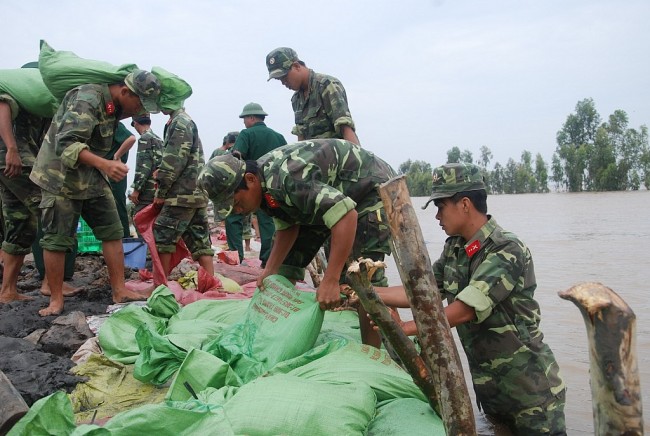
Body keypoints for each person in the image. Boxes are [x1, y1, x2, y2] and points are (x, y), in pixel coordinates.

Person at [372, 163, 566, 434]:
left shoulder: (506, 249)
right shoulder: (456, 249)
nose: (437, 216)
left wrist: (406, 329)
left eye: (440, 206)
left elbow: (465, 309)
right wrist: (369, 293)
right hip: (490, 391)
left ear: (464, 204)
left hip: (531, 393)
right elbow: (422, 294)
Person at [198, 139, 393, 341]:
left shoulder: (288, 178)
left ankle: (372, 354)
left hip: (369, 191)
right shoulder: (262, 186)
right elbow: (288, 225)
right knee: (282, 271)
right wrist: (270, 270)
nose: (238, 211)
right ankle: (275, 336)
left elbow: (346, 215)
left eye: (237, 203)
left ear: (250, 180)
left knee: (363, 278)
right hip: (335, 199)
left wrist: (331, 279)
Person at [29, 69, 161, 316]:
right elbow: (67, 144)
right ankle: (56, 299)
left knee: (112, 231)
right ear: (125, 92)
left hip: (91, 176)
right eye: (140, 103)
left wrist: (104, 165)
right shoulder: (87, 99)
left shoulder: (116, 107)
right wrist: (107, 164)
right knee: (57, 239)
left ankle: (119, 290)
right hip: (61, 177)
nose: (140, 111)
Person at [0, 69, 79, 304]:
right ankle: (50, 283)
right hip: (13, 159)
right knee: (52, 209)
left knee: (21, 221)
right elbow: (2, 106)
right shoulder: (21, 93)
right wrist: (12, 149)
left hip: (13, 163)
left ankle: (7, 291)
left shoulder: (43, 103)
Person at [151, 74, 214, 286]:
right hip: (195, 193)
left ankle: (158, 287)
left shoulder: (179, 123)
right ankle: (210, 284)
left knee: (163, 237)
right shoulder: (185, 121)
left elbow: (172, 162)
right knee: (200, 241)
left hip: (181, 194)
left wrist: (161, 193)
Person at [228, 102, 287, 267]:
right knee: (268, 221)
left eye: (245, 118)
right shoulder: (278, 136)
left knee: (234, 216)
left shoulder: (246, 134)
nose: (244, 122)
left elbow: (237, 157)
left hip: (250, 187)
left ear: (252, 117)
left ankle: (236, 257)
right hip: (274, 188)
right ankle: (268, 259)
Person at [266, 47, 360, 145]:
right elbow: (301, 139)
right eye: (279, 80)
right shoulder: (296, 99)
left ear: (297, 66)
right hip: (314, 158)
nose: (283, 83)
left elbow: (345, 127)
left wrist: (358, 159)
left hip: (336, 156)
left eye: (284, 77)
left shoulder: (326, 85)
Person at [128, 114, 163, 217]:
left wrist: (137, 189)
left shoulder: (144, 138)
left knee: (140, 219)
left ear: (135, 123)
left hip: (147, 192)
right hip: (158, 189)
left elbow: (143, 166)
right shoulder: (158, 139)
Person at [107, 121, 136, 237]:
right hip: (104, 172)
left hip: (114, 173)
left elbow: (131, 138)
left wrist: (116, 156)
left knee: (118, 207)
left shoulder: (115, 124)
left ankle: (124, 240)